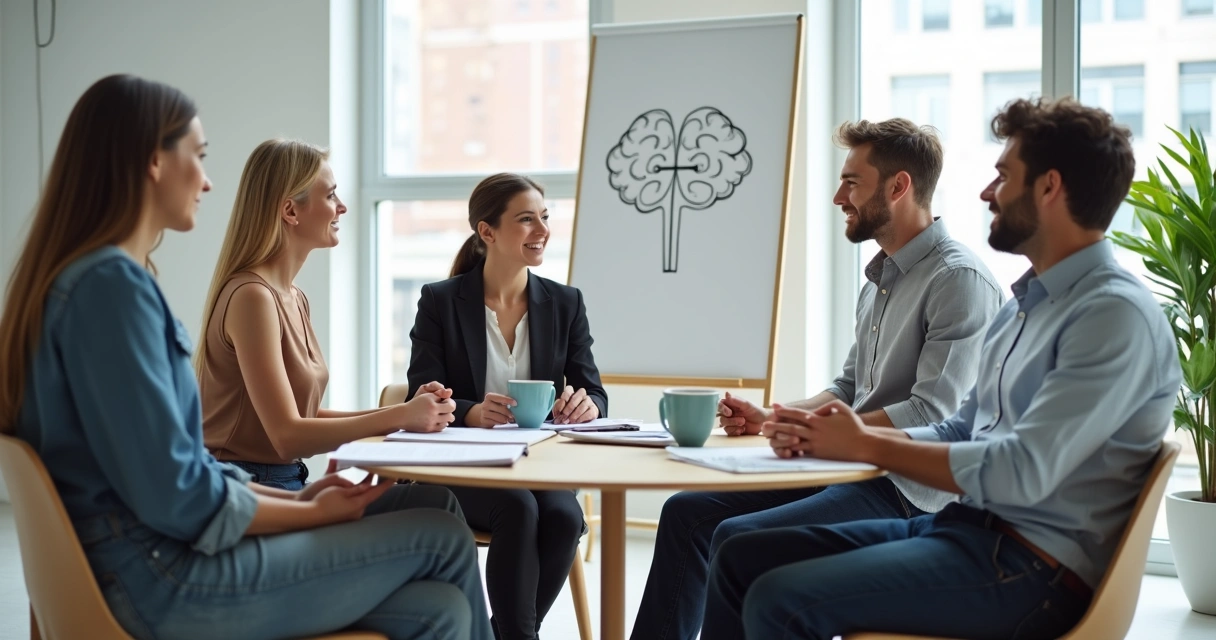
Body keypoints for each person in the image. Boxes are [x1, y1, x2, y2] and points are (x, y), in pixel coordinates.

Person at [0, 74, 491, 640]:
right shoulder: (111, 290)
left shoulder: (91, 283)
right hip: (164, 577)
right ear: (153, 161)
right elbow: (179, 493)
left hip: (154, 560)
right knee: (441, 536)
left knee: (440, 608)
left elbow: (182, 466)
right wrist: (309, 511)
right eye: (199, 156)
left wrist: (305, 499)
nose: (207, 181)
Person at [703, 98, 1180, 640]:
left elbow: (1019, 470)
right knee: (740, 557)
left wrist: (865, 443)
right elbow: (959, 428)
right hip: (966, 531)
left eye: (1004, 176)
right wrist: (843, 434)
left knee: (779, 598)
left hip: (1032, 569)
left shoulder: (1111, 315)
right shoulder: (1025, 307)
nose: (986, 192)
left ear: (1049, 187)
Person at [632, 118, 1003, 640]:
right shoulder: (879, 280)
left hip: (906, 490)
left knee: (736, 537)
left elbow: (931, 414)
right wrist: (774, 417)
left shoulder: (957, 280)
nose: (838, 197)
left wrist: (820, 434)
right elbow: (849, 388)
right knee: (686, 513)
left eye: (852, 182)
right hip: (850, 467)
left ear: (898, 187)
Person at [197, 138, 456, 502]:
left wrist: (407, 411)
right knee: (436, 506)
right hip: (250, 491)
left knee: (438, 504)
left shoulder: (293, 297)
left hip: (285, 480)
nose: (342, 207)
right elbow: (287, 436)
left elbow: (304, 415)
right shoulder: (252, 298)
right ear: (291, 211)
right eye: (331, 195)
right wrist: (400, 417)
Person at [407, 172, 605, 640]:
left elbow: (594, 391)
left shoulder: (565, 302)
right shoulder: (440, 301)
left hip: (540, 466)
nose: (542, 230)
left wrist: (587, 406)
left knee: (564, 517)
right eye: (526, 219)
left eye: (545, 217)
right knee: (517, 508)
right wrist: (471, 412)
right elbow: (421, 392)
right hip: (462, 467)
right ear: (487, 231)